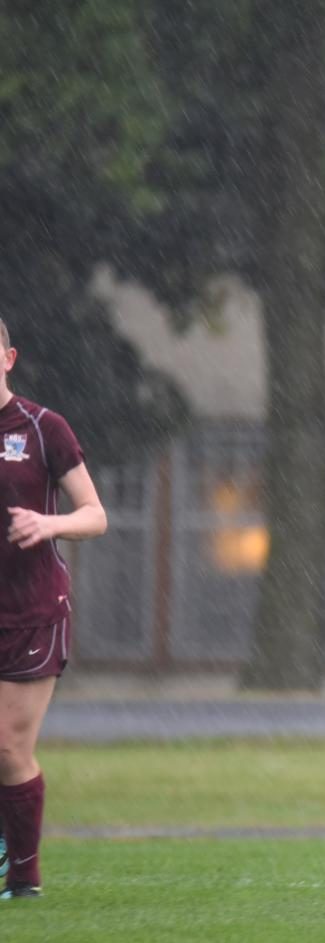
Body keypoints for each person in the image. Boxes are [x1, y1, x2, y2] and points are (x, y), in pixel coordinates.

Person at [0, 315, 108, 900]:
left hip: (32, 613)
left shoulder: (44, 429)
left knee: (8, 747)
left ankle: (24, 880)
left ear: (8, 358)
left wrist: (48, 523)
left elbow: (96, 513)